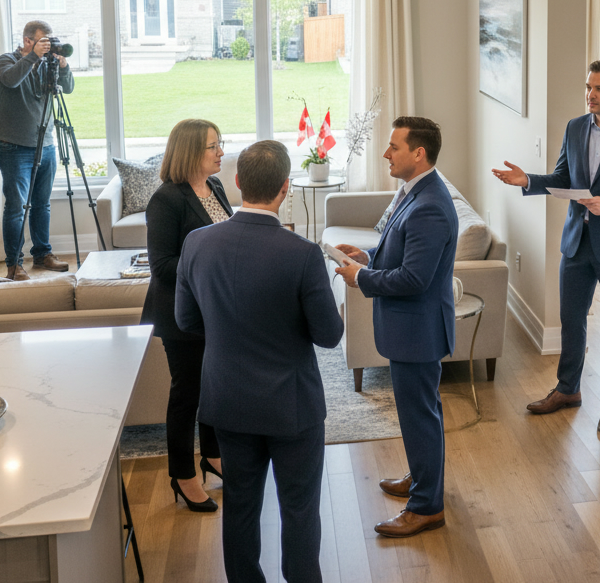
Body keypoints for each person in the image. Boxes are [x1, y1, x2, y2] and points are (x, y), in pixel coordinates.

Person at [175, 140, 343, 583]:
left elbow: (186, 320)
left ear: (236, 183)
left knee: (241, 509)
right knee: (300, 512)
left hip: (229, 401)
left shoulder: (196, 244)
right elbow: (329, 336)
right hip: (293, 407)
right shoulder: (303, 254)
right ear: (286, 188)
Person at [492, 59, 600, 434]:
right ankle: (568, 390)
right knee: (571, 321)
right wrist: (528, 180)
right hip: (576, 242)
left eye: (599, 88)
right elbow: (562, 177)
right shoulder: (574, 128)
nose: (590, 94)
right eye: (588, 87)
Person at [334, 117, 458, 538]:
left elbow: (414, 279)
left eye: (393, 146)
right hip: (411, 329)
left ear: (418, 153)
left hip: (417, 332)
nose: (386, 154)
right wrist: (369, 257)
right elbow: (401, 250)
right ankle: (423, 478)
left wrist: (360, 279)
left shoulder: (430, 206)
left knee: (420, 416)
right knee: (420, 414)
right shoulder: (415, 192)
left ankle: (426, 507)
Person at [141, 119, 230, 513]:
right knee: (187, 394)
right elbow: (161, 265)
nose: (221, 152)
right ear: (191, 151)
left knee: (214, 386)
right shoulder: (166, 199)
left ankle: (212, 456)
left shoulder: (217, 188)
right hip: (181, 314)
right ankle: (182, 475)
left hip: (216, 310)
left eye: (220, 144)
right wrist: (210, 266)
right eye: (214, 146)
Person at [0, 20, 74, 280]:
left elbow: (69, 88)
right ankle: (14, 264)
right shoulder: (6, 60)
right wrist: (32, 58)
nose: (47, 47)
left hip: (46, 143)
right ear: (28, 40)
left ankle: (42, 254)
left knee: (42, 204)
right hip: (15, 146)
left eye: (49, 41)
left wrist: (62, 66)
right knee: (17, 207)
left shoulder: (46, 64)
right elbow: (11, 81)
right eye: (43, 41)